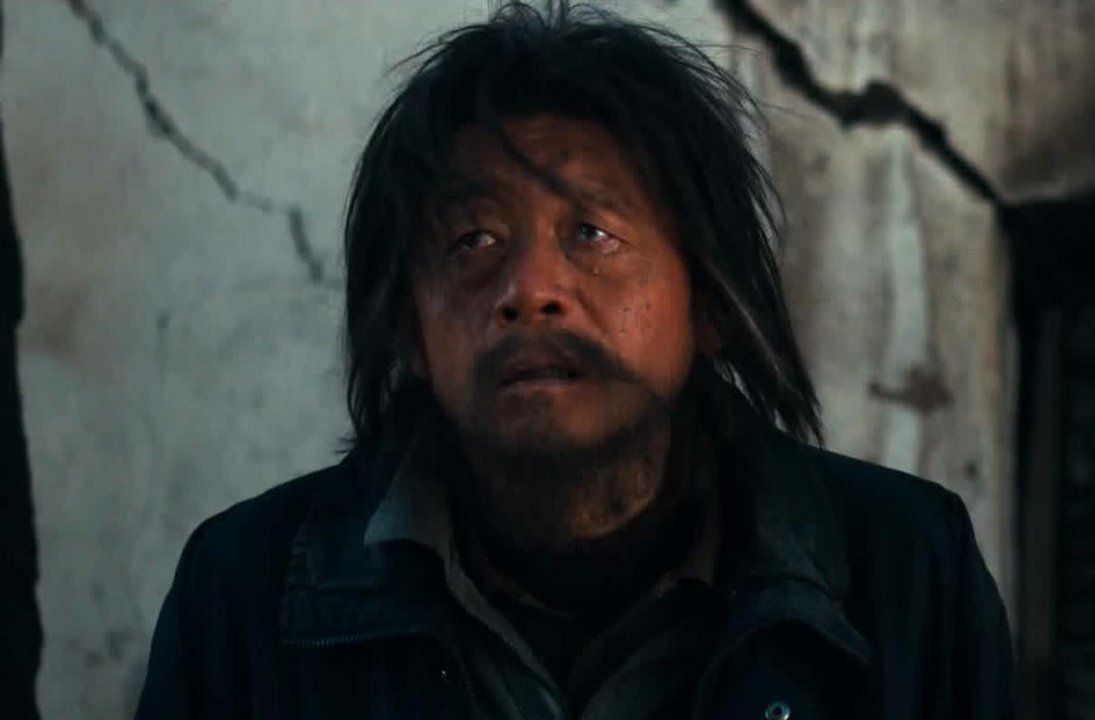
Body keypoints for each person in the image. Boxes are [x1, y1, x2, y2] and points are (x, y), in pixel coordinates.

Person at [134, 3, 1013, 718]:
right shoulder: (246, 594)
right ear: (409, 329)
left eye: (591, 233)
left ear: (709, 300)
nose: (530, 290)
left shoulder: (904, 573)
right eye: (472, 241)